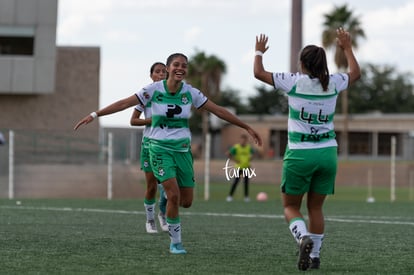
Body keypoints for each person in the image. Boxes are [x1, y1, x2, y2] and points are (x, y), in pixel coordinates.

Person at [74, 52, 263, 255]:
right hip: (158, 149)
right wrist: (95, 114)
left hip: (182, 151)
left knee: (186, 201)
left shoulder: (190, 92)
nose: (180, 68)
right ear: (168, 68)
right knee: (173, 195)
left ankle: (166, 197)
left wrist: (246, 127)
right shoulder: (152, 90)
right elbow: (124, 103)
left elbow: (218, 110)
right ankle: (176, 243)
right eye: (176, 65)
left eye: (184, 65)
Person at [253, 27, 360, 271]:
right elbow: (355, 73)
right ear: (323, 64)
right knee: (316, 208)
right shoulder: (333, 82)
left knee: (291, 207)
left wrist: (259, 52)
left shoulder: (294, 82)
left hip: (300, 153)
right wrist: (347, 48)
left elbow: (258, 73)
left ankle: (302, 238)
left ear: (302, 63)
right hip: (327, 153)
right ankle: (315, 257)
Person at [130, 62, 168, 233]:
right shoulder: (146, 94)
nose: (161, 74)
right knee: (152, 185)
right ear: (151, 75)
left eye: (164, 72)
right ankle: (150, 220)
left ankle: (163, 214)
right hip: (149, 144)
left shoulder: (174, 93)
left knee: (169, 186)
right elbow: (133, 120)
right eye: (157, 72)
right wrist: (151, 120)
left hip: (168, 144)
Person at [226, 134, 255, 202]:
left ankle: (246, 197)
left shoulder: (248, 147)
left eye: (244, 140)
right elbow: (228, 154)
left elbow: (253, 153)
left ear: (246, 140)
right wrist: (235, 160)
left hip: (246, 167)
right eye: (242, 140)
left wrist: (250, 158)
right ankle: (230, 196)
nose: (243, 141)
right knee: (236, 182)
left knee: (246, 182)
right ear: (240, 140)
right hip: (238, 167)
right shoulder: (236, 147)